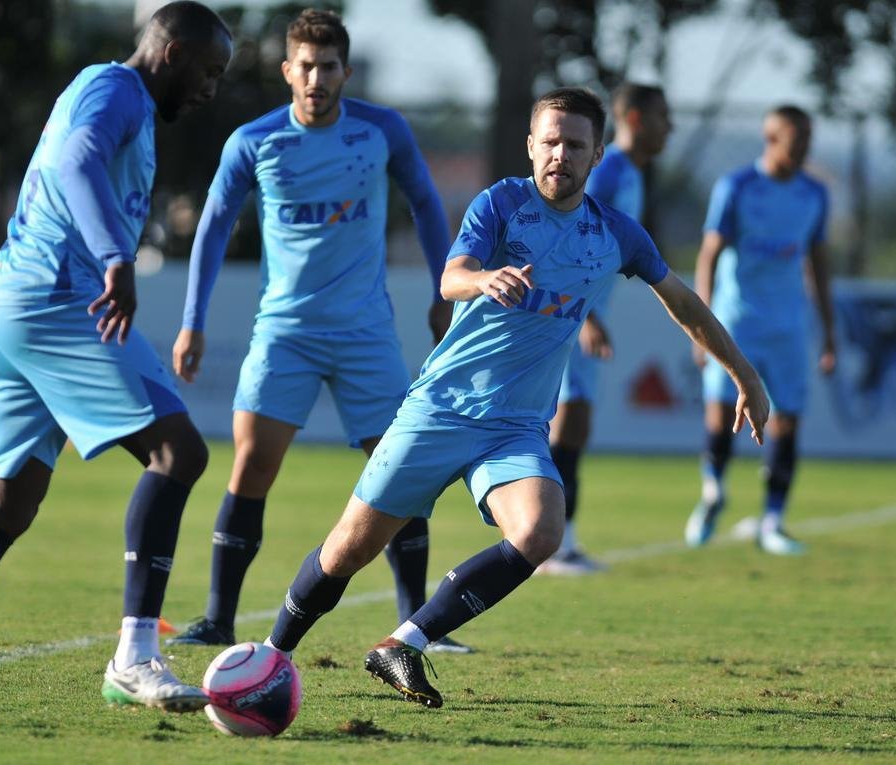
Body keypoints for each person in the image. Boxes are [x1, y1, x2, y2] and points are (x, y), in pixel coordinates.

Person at [257, 87, 769, 708]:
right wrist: (482, 279)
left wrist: (745, 375)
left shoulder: (616, 234)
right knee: (348, 549)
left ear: (598, 153)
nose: (561, 154)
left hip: (516, 427)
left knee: (540, 530)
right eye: (550, 141)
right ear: (531, 146)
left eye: (575, 144)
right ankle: (270, 658)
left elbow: (684, 304)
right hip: (440, 408)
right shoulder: (501, 203)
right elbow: (451, 277)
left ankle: (405, 643)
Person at [0, 2, 235, 726]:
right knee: (178, 451)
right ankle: (135, 654)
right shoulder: (117, 88)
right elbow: (75, 162)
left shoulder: (111, 93)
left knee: (9, 505)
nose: (211, 88)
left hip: (1, 302)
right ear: (170, 53)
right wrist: (114, 255)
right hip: (52, 299)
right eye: (208, 71)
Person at [167, 9, 467, 653]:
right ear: (287, 71)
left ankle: (418, 625)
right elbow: (214, 228)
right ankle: (220, 617)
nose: (316, 78)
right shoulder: (254, 140)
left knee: (401, 470)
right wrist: (192, 321)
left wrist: (446, 286)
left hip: (366, 333)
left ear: (345, 72)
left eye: (328, 66)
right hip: (285, 332)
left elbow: (423, 201)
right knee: (252, 464)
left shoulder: (382, 130)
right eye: (305, 65)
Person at [683, 105, 836, 556]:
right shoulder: (737, 187)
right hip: (735, 324)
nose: (805, 148)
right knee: (720, 413)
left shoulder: (814, 194)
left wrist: (828, 331)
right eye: (797, 139)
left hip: (788, 326)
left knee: (787, 418)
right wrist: (701, 325)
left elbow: (819, 262)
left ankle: (773, 520)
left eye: (809, 139)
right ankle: (713, 490)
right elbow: (709, 255)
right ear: (772, 140)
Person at [538, 82, 673, 575]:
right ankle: (549, 543)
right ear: (635, 119)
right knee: (566, 425)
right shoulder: (611, 169)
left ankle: (559, 540)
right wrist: (588, 315)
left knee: (576, 426)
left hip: (584, 315)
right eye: (663, 116)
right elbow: (569, 232)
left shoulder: (631, 173)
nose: (670, 127)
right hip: (572, 316)